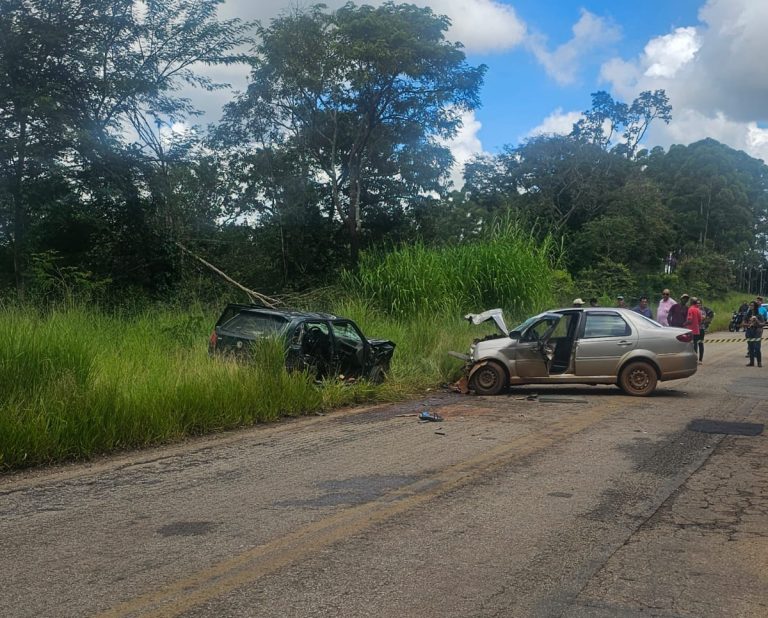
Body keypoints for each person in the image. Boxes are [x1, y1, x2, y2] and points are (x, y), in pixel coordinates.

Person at [742, 301, 764, 367]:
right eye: (750, 305)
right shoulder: (747, 315)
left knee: (757, 348)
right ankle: (751, 362)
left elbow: (762, 324)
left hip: (757, 332)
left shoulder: (759, 315)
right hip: (749, 332)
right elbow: (743, 323)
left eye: (752, 305)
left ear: (755, 306)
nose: (751, 306)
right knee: (750, 348)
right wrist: (749, 324)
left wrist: (756, 319)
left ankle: (759, 362)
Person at [695, 298, 714, 363]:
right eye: (697, 303)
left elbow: (703, 317)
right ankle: (695, 359)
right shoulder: (693, 309)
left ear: (701, 304)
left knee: (700, 343)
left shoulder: (703, 310)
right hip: (694, 329)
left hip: (701, 329)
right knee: (694, 344)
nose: (698, 304)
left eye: (699, 303)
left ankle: (700, 359)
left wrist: (707, 320)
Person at [684, 297, 703, 362]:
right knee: (695, 344)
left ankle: (690, 359)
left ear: (691, 302)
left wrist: (684, 324)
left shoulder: (690, 309)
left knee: (689, 345)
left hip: (690, 330)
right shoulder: (698, 309)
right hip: (697, 330)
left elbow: (690, 320)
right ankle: (695, 359)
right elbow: (700, 320)